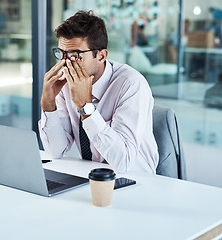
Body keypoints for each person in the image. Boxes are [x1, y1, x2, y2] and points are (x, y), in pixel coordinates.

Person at [38, 10, 158, 174]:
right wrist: (48, 104)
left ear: (101, 56)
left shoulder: (131, 84)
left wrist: (85, 107)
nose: (66, 63)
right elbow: (55, 151)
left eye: (75, 55)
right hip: (92, 177)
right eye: (62, 54)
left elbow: (123, 162)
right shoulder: (66, 84)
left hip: (136, 180)